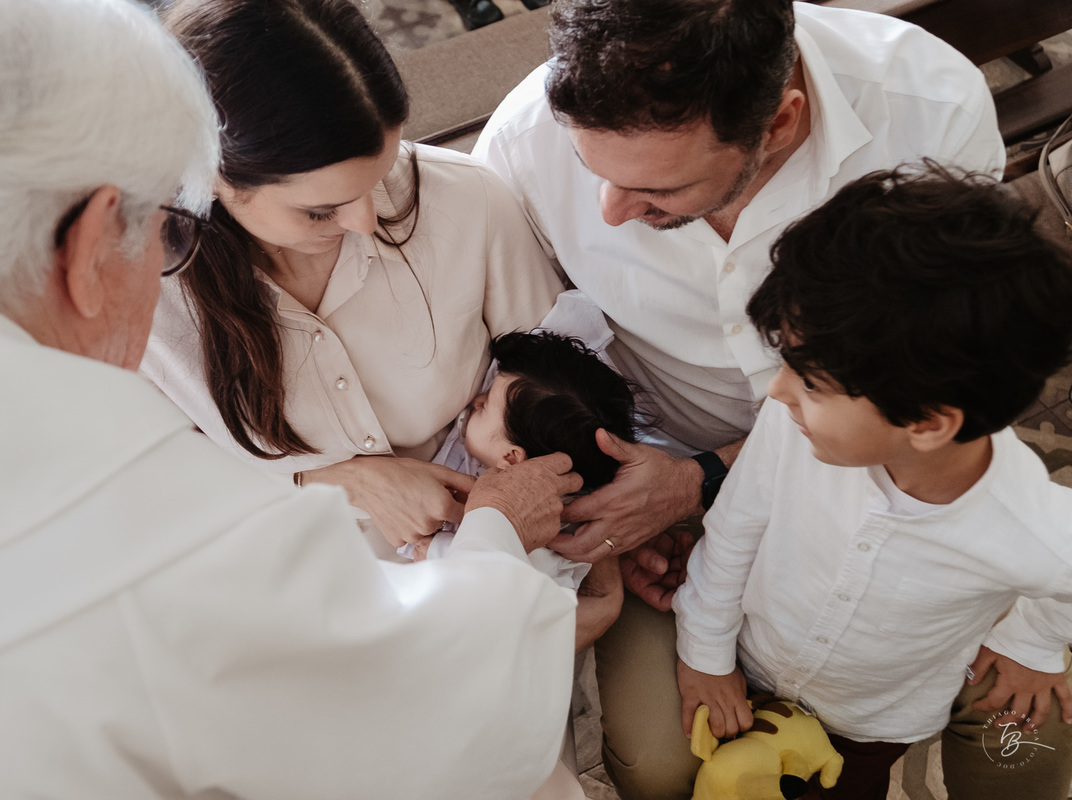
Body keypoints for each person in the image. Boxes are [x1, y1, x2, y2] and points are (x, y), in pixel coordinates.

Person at [0, 0, 582, 797]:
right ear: (93, 237)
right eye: (166, 228)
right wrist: (498, 540)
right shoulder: (128, 505)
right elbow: (439, 720)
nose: (363, 222)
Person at [472, 0, 1006, 794]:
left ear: (781, 123)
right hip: (650, 486)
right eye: (595, 174)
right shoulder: (521, 148)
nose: (610, 212)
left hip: (888, 469)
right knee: (660, 769)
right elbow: (539, 371)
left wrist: (707, 477)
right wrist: (620, 497)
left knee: (1017, 727)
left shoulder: (929, 109)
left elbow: (947, 381)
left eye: (657, 188)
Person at [675, 163, 1072, 799]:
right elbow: (734, 528)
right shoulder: (792, 425)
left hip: (870, 724)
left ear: (927, 422)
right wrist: (705, 653)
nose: (777, 392)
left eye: (810, 382)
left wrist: (1032, 644)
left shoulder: (1034, 526)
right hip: (748, 667)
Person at [142, 0, 565, 563]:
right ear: (207, 172)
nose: (366, 222)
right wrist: (339, 482)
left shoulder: (466, 202)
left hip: (502, 574)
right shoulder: (140, 296)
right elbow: (150, 489)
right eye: (320, 211)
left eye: (380, 174)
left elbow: (567, 391)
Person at [408, 325, 638, 586]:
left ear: (512, 458)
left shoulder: (551, 535)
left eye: (486, 406)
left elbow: (511, 585)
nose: (476, 401)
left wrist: (439, 553)